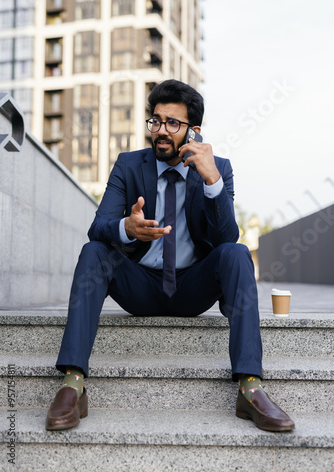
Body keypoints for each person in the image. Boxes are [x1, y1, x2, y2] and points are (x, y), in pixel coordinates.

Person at [46, 79, 294, 433]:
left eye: (172, 123)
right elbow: (99, 226)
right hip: (140, 286)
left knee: (237, 253)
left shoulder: (218, 167)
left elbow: (226, 238)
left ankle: (250, 388)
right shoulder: (129, 165)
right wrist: (127, 228)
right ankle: (73, 385)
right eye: (156, 121)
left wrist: (211, 182)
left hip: (192, 286)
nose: (161, 131)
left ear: (193, 131)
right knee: (94, 252)